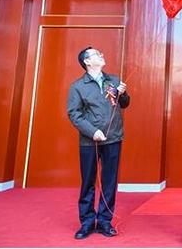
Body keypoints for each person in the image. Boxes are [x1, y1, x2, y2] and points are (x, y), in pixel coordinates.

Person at [67, 47, 130, 239]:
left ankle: (104, 222)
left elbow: (124, 104)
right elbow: (74, 114)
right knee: (88, 182)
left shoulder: (114, 80)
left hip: (113, 138)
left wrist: (124, 94)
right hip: (89, 142)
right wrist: (92, 132)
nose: (101, 55)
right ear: (87, 61)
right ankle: (86, 222)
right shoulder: (78, 86)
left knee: (109, 183)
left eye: (101, 53)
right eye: (96, 54)